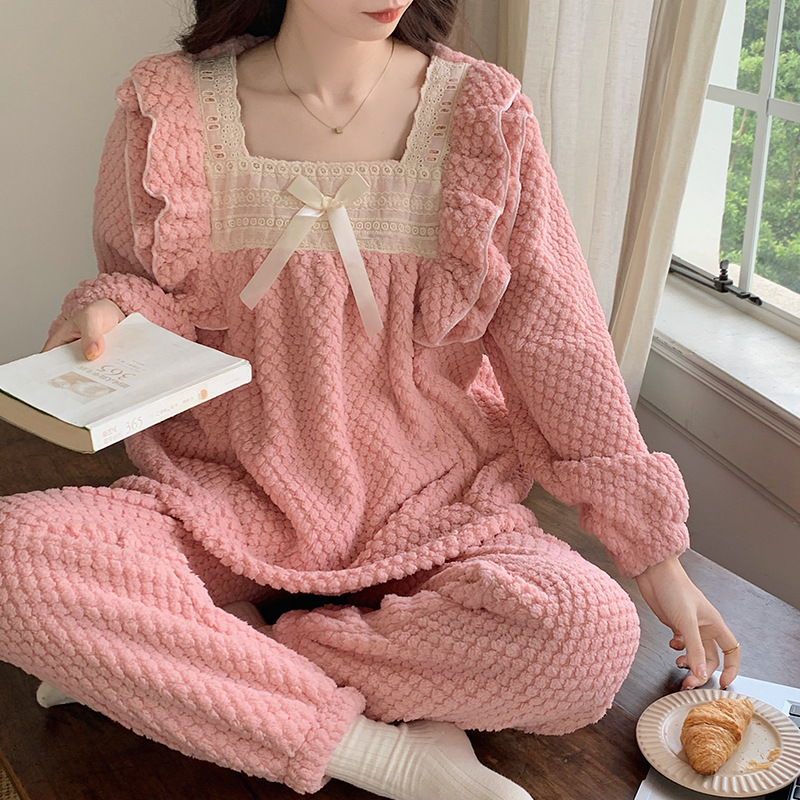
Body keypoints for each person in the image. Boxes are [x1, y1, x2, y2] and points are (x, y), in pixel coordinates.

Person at [0, 1, 742, 798]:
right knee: (11, 557)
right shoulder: (169, 106)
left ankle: (177, 664)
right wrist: (108, 310)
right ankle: (382, 756)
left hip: (433, 515)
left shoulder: (482, 114)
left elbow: (556, 340)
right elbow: (146, 290)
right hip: (223, 503)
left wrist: (656, 557)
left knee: (585, 640)